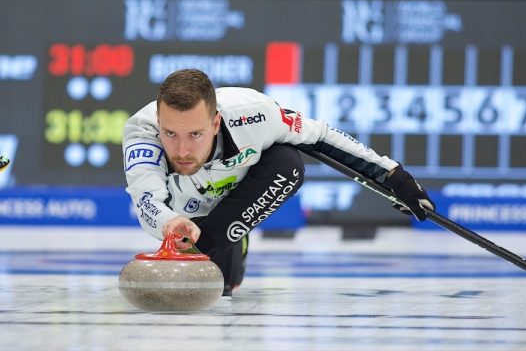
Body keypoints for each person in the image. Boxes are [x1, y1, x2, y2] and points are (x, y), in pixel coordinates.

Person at [122, 69, 434, 295]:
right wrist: (170, 221)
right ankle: (211, 242)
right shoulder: (141, 132)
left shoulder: (255, 114)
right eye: (170, 134)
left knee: (288, 162)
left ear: (216, 122)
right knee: (220, 287)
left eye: (195, 134)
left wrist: (393, 176)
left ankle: (225, 235)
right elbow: (146, 200)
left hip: (230, 205)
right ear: (159, 124)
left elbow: (321, 137)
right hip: (178, 215)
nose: (183, 150)